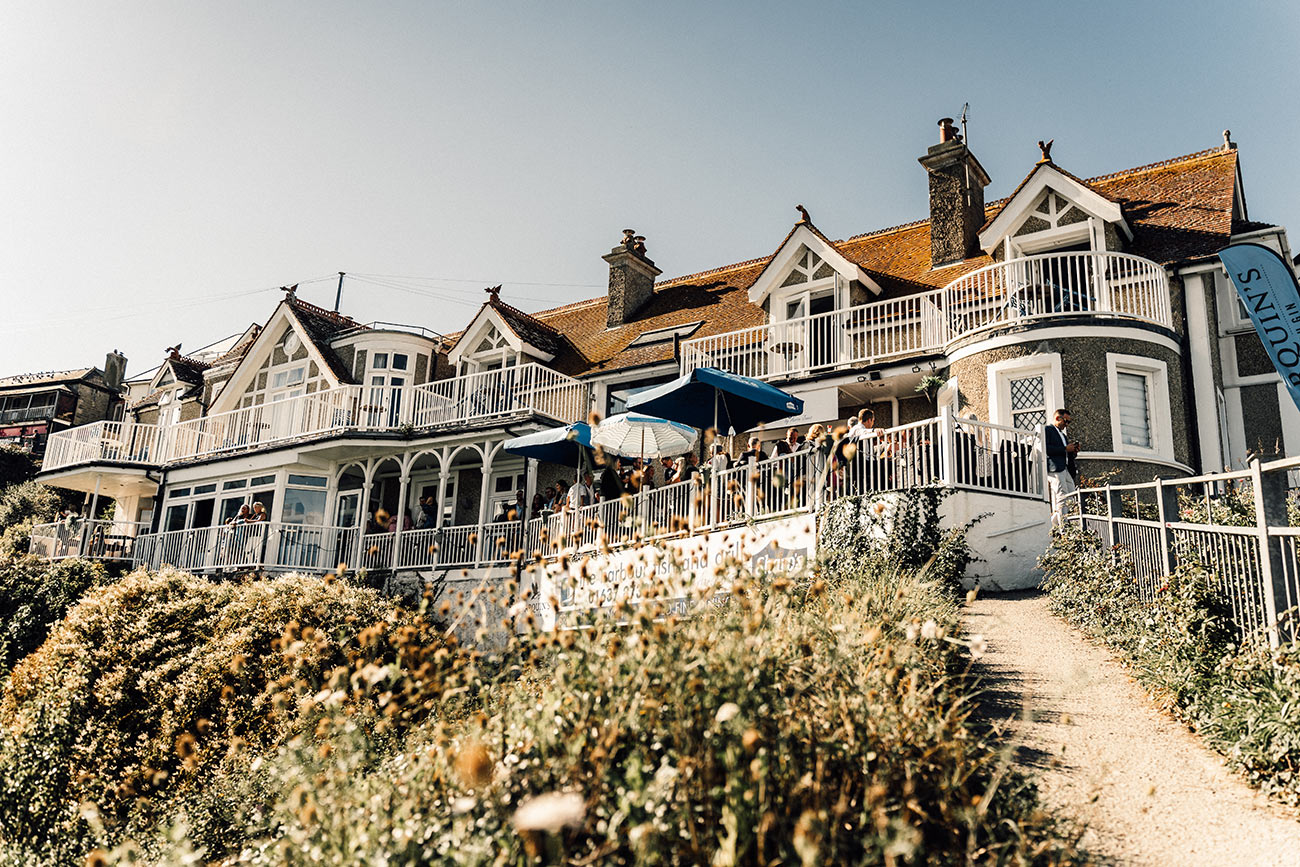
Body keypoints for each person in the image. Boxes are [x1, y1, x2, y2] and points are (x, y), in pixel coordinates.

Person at [1044, 408, 1080, 528]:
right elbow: (1046, 448)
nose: (1067, 424)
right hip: (1054, 468)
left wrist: (1073, 451)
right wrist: (1065, 449)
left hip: (1064, 468)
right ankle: (1063, 527)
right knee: (1061, 495)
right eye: (1066, 421)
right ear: (1058, 418)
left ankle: (1056, 522)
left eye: (1069, 422)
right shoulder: (1048, 430)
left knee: (1071, 495)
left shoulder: (1063, 436)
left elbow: (1065, 453)